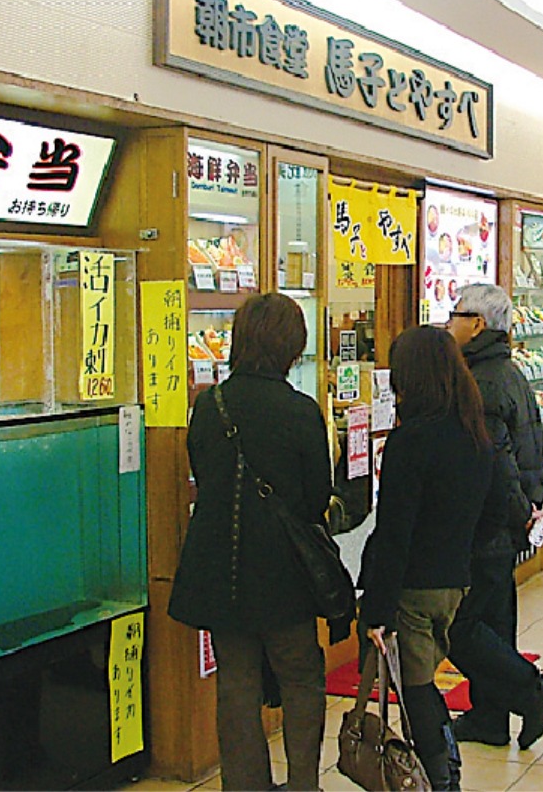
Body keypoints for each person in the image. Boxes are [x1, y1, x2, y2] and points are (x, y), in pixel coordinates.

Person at [168, 293, 333, 792]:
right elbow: (315, 498)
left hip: (221, 569)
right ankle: (304, 783)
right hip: (284, 574)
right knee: (301, 678)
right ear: (292, 346)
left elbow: (204, 475)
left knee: (235, 686)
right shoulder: (300, 410)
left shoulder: (209, 406)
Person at [358, 326, 495, 791]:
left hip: (414, 587)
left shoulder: (410, 442)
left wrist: (374, 608)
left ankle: (443, 776)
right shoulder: (473, 432)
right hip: (455, 580)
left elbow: (395, 534)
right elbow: (494, 513)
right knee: (422, 680)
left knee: (416, 689)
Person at [444, 284, 543, 750]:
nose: (448, 323)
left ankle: (533, 690)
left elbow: (497, 466)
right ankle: (489, 719)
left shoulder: (481, 382)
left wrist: (519, 513)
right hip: (508, 521)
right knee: (494, 623)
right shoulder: (502, 370)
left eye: (455, 315)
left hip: (487, 523)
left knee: (460, 626)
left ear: (476, 324)